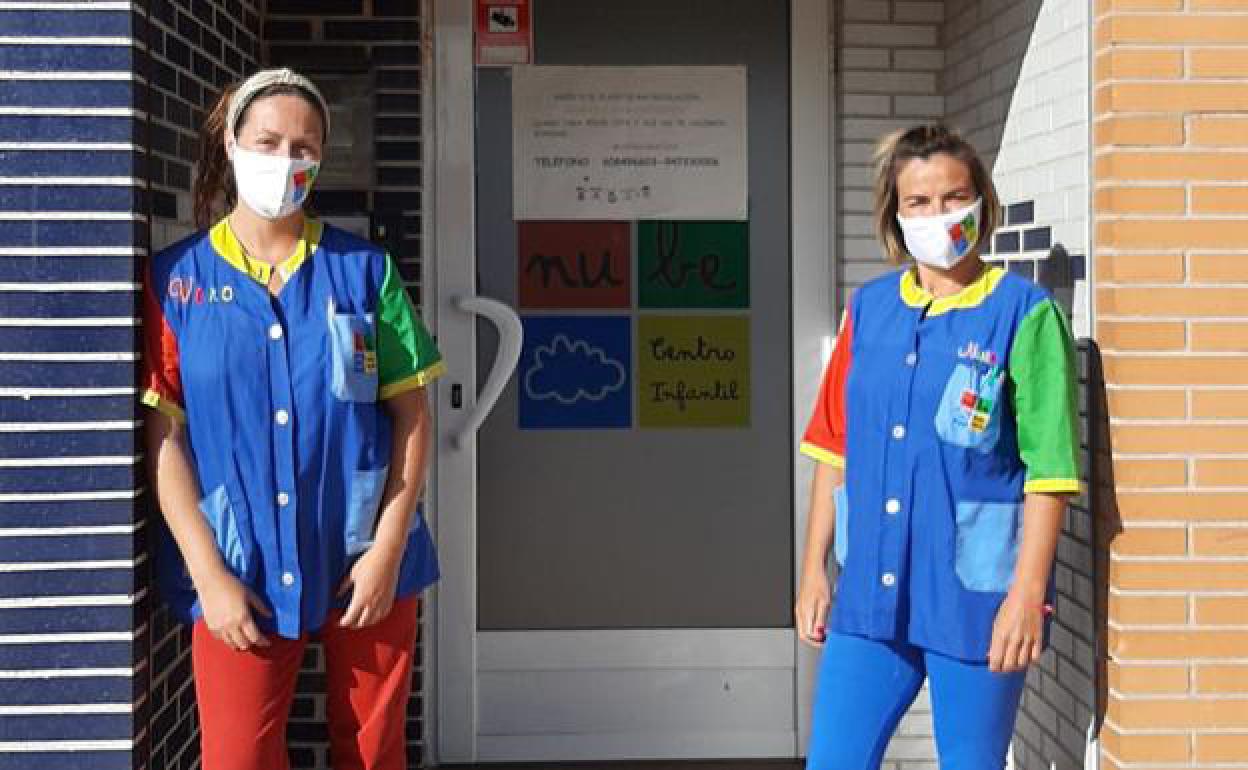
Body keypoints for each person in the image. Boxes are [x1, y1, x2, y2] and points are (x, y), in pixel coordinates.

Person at [142, 68, 444, 770]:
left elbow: (413, 414)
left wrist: (387, 550)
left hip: (363, 563)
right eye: (269, 141)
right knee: (237, 758)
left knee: (372, 752)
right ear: (233, 141)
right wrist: (209, 576)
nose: (286, 161)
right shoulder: (176, 280)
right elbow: (165, 437)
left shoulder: (364, 273)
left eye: (304, 148)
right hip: (238, 568)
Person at [795, 124, 1079, 769]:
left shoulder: (1025, 314)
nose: (939, 215)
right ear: (895, 215)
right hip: (870, 590)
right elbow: (832, 447)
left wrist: (1025, 596)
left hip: (976, 599)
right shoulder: (868, 311)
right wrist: (813, 570)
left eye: (955, 198)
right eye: (919, 203)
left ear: (982, 202)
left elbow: (1050, 470)